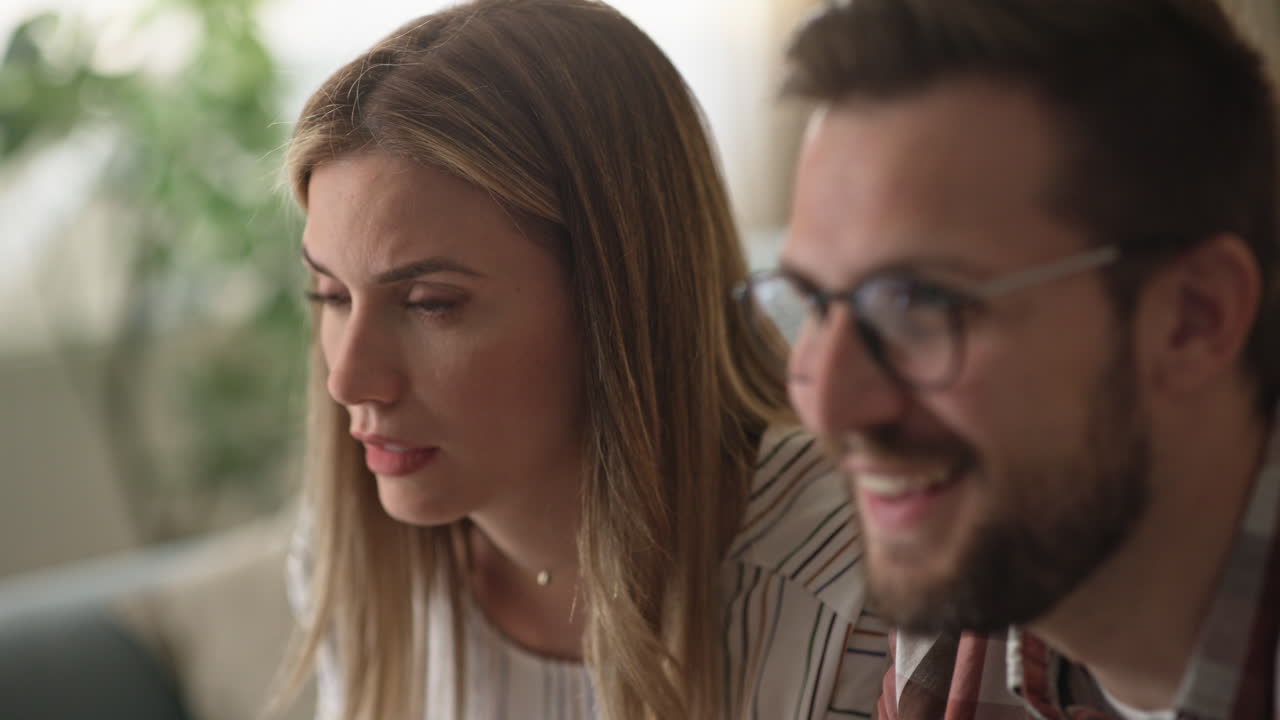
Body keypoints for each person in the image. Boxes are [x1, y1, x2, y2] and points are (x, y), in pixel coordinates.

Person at [278, 1, 889, 718]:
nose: (347, 379)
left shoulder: (858, 591)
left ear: (622, 300)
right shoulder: (352, 562)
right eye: (331, 295)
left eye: (430, 303)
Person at [735, 0, 1280, 717]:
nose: (826, 403)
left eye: (917, 304)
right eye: (811, 302)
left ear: (1192, 319)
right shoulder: (971, 601)